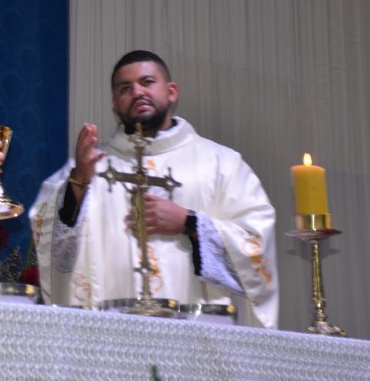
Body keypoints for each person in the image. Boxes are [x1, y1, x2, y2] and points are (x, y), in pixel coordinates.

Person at [29, 50, 278, 328]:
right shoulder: (89, 166)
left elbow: (256, 242)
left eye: (147, 82)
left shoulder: (222, 164)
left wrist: (189, 222)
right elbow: (50, 239)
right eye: (125, 88)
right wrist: (78, 182)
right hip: (111, 330)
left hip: (195, 333)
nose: (137, 92)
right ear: (115, 103)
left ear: (171, 92)